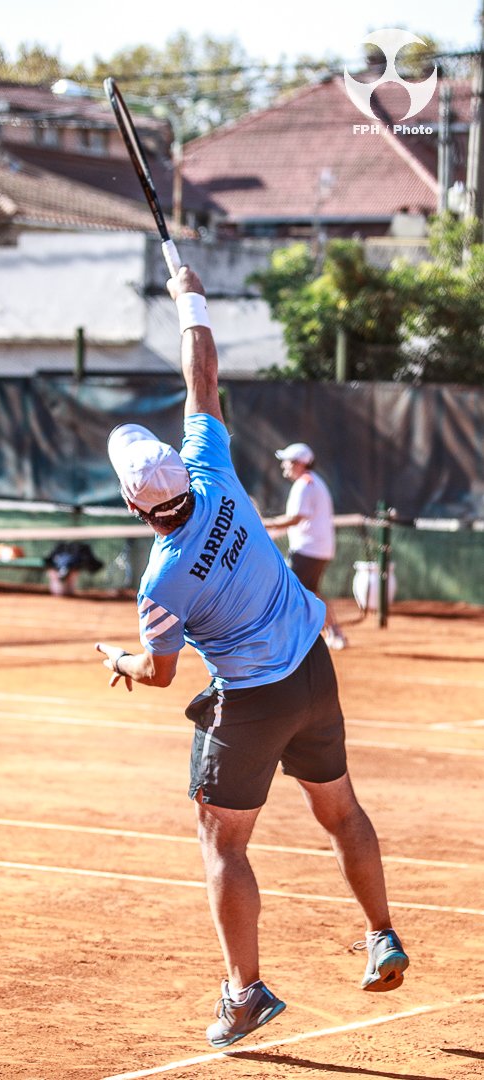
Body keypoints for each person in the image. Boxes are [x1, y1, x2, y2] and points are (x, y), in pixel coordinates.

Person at [94, 263, 408, 1050]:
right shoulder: (214, 468)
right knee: (341, 812)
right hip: (313, 669)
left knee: (221, 838)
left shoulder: (159, 580)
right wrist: (187, 296)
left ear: (136, 507)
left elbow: (161, 671)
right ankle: (382, 935)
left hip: (255, 698)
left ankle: (245, 992)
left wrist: (119, 659)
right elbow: (203, 372)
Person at [265, 443, 347, 650]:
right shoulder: (314, 483)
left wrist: (266, 524)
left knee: (289, 591)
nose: (284, 466)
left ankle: (289, 639)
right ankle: (335, 632)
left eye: (287, 462)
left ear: (299, 463)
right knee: (311, 592)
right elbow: (301, 520)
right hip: (317, 549)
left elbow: (295, 519)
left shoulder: (304, 484)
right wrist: (272, 531)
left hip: (308, 550)